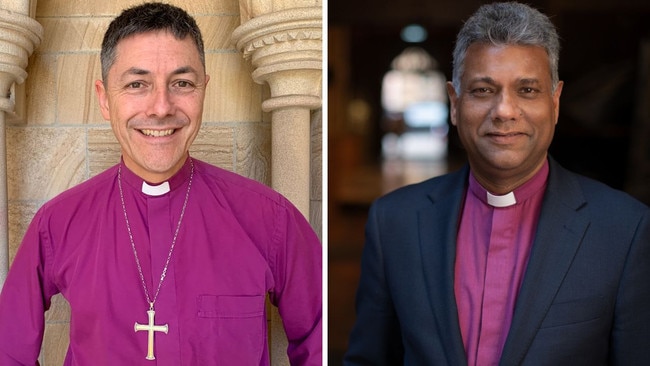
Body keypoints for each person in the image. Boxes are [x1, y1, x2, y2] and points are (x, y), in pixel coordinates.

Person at [0, 2, 322, 365]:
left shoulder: (270, 218)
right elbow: (7, 348)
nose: (160, 107)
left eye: (182, 83)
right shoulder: (57, 223)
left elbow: (320, 339)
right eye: (137, 84)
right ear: (105, 99)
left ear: (203, 90)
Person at [344, 2, 650, 365]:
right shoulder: (393, 221)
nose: (504, 111)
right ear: (455, 105)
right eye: (483, 90)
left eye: (527, 90)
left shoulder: (624, 229)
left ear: (555, 103)